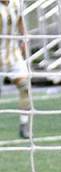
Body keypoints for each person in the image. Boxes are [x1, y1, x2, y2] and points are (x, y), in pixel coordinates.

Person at [0, 0, 31, 139]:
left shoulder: (17, 3)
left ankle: (24, 125)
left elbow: (20, 20)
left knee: (25, 87)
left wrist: (24, 38)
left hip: (14, 55)